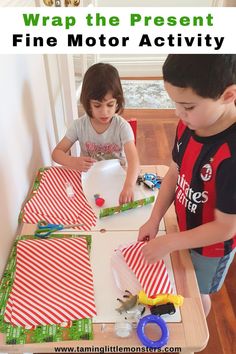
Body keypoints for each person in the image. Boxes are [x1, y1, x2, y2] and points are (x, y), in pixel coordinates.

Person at [138, 55, 236, 316]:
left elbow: (225, 228)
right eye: (175, 103)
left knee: (197, 295)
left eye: (188, 107)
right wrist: (154, 219)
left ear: (228, 96)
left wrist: (171, 242)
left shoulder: (231, 155)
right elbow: (174, 172)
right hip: (183, 231)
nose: (178, 114)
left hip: (210, 250)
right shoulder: (189, 124)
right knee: (181, 286)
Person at [52, 62, 139, 205]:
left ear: (118, 102)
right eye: (97, 105)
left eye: (110, 104)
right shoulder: (79, 125)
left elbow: (134, 161)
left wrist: (129, 185)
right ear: (88, 103)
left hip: (117, 180)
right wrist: (72, 161)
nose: (104, 112)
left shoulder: (122, 126)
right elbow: (57, 153)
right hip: (87, 180)